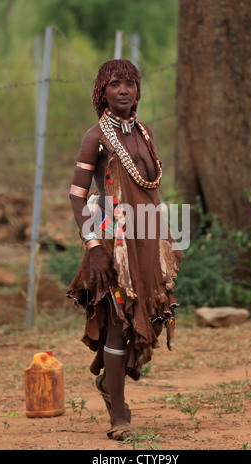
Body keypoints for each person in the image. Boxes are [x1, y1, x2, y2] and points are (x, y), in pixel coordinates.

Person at [67, 59, 184, 440]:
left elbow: (151, 191)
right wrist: (94, 247)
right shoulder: (96, 136)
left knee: (149, 317)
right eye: (115, 84)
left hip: (147, 238)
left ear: (138, 90)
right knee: (120, 319)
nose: (123, 90)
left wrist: (167, 239)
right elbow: (77, 196)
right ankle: (118, 413)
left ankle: (107, 381)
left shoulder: (144, 133)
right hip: (113, 241)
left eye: (130, 84)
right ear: (102, 91)